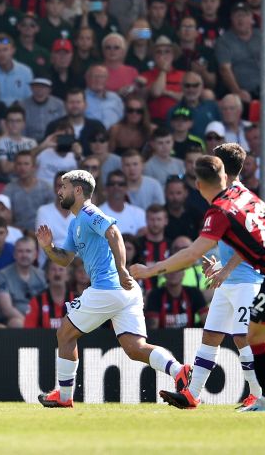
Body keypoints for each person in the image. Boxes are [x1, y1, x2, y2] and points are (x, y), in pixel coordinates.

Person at [130, 155, 265, 411]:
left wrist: (150, 270)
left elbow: (192, 254)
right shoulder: (239, 193)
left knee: (252, 337)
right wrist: (228, 264)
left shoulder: (219, 210)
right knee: (259, 329)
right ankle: (197, 393)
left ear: (198, 184)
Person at [35, 170, 188, 408]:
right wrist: (48, 247)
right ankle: (178, 370)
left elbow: (113, 232)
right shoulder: (76, 222)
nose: (59, 191)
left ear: (77, 190)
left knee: (64, 334)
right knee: (135, 349)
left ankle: (64, 397)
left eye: (63, 187)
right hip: (125, 292)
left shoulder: (88, 212)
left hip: (108, 288)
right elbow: (65, 260)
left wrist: (122, 269)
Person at [0, 237, 47, 328]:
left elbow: (48, 302)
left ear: (35, 255)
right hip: (16, 319)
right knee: (16, 323)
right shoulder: (3, 275)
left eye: (28, 251)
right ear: (14, 254)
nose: (24, 255)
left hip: (39, 318)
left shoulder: (42, 275)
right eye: (20, 251)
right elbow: (7, 309)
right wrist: (30, 323)